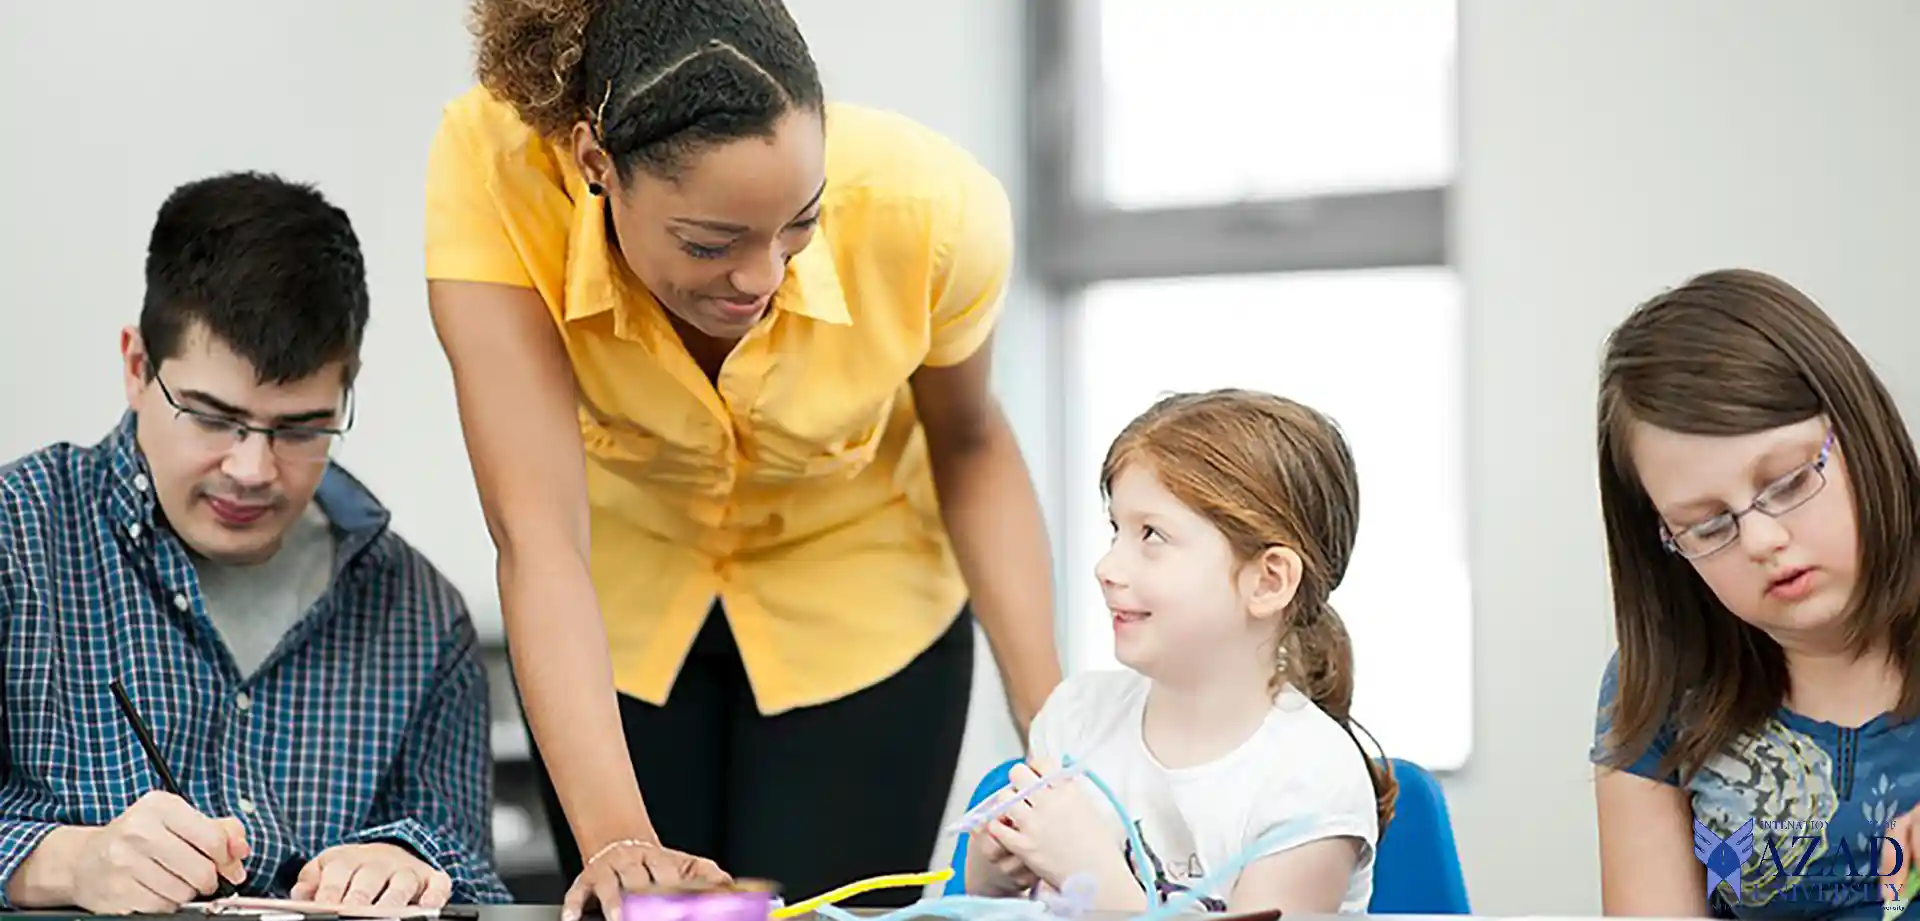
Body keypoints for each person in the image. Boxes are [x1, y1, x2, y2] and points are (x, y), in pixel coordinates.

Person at [421, 0, 1062, 915]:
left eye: (799, 224)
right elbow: (538, 534)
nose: (761, 276)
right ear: (596, 163)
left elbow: (968, 444)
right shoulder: (500, 171)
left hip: (864, 610)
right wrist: (619, 841)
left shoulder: (935, 212)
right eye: (710, 243)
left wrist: (1056, 733)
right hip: (620, 615)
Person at [0, 172, 511, 914]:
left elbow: (471, 874)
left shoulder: (420, 618)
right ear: (137, 367)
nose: (251, 470)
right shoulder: (18, 540)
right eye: (211, 417)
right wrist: (63, 863)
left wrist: (410, 866)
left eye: (300, 428)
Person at [966, 389, 1395, 916]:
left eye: (1152, 535)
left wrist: (1096, 880)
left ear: (1268, 581)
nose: (1107, 567)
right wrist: (990, 881)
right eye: (1115, 529)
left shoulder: (1311, 778)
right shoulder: (1075, 716)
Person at [1589, 268, 1920, 920]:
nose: (1762, 537)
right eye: (1708, 526)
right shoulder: (1660, 687)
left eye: (1792, 481)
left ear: (1858, 429)